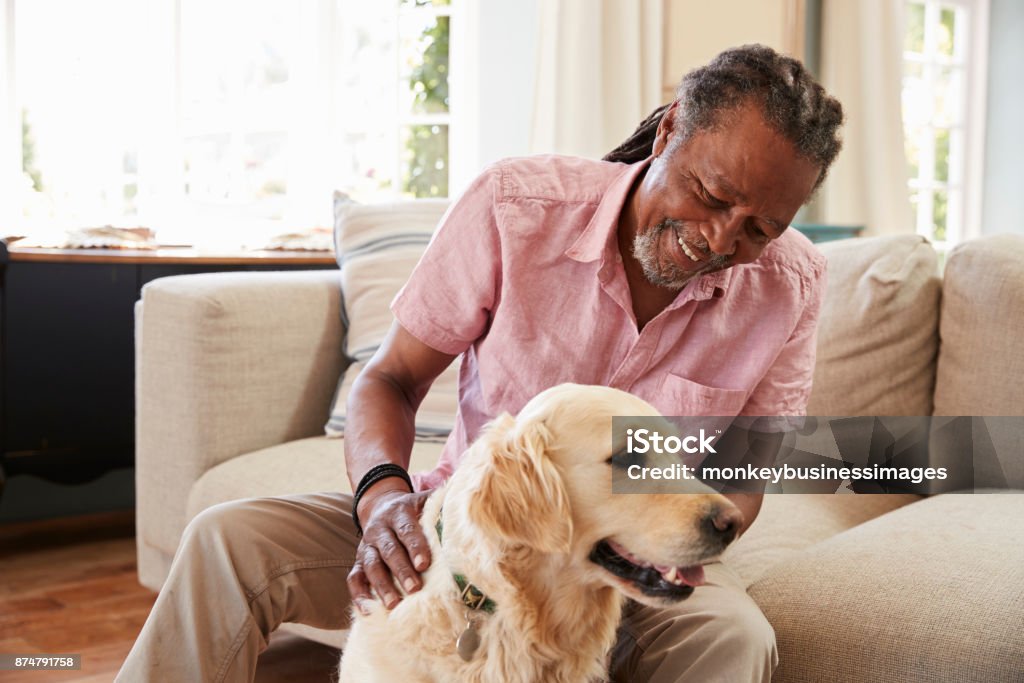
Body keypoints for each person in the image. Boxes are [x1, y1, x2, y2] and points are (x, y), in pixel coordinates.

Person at [118, 44, 843, 682]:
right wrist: (382, 501)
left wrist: (634, 555)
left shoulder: (792, 285)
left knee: (734, 638)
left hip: (638, 564)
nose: (717, 238)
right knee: (228, 540)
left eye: (757, 228)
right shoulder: (516, 207)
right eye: (709, 193)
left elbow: (739, 483)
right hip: (461, 524)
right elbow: (391, 379)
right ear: (666, 133)